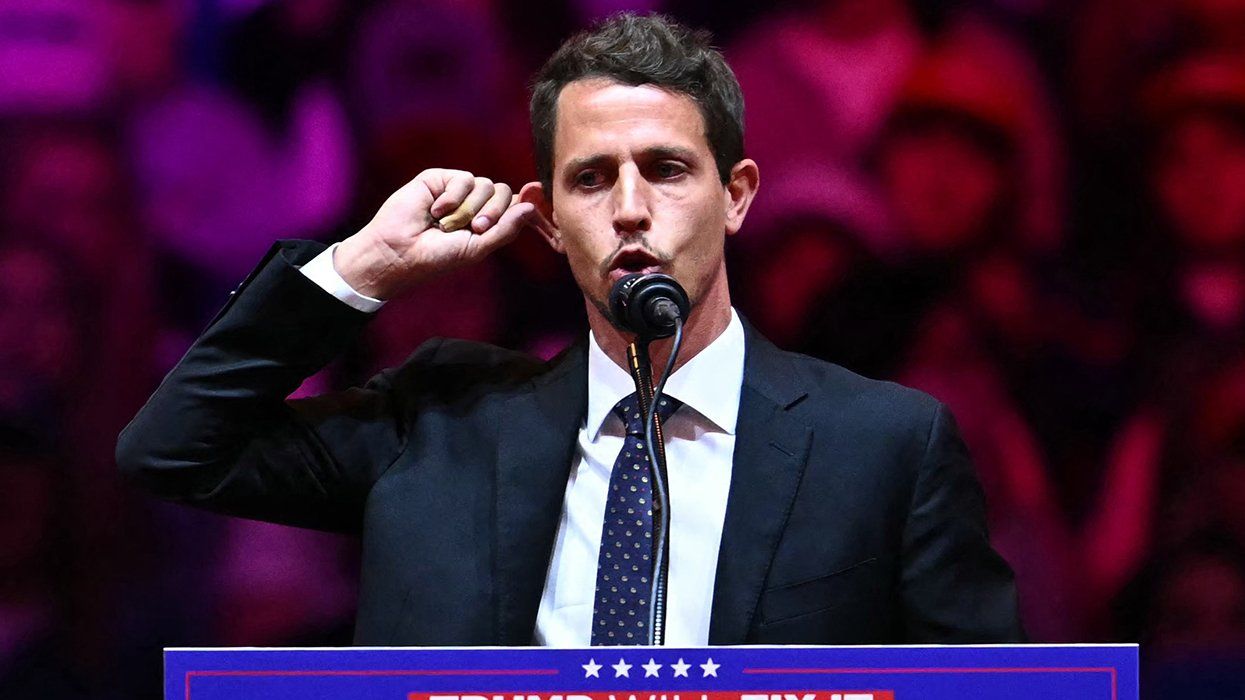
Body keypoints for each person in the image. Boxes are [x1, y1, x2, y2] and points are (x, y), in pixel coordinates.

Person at [117, 12, 1023, 647]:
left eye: (666, 170)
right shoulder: (436, 426)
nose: (630, 210)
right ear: (546, 221)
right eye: (592, 180)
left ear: (737, 196)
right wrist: (357, 272)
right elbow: (174, 449)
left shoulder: (886, 446)